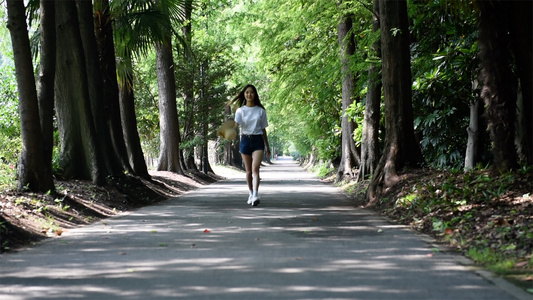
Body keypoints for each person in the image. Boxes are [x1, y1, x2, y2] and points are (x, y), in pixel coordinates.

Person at [232, 84, 271, 206]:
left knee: (255, 168)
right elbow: (236, 126)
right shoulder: (240, 110)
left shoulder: (261, 111)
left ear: (255, 94)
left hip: (258, 140)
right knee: (248, 171)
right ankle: (250, 193)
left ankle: (255, 194)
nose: (249, 94)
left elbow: (264, 129)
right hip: (245, 140)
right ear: (244, 94)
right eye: (247, 92)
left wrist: (267, 146)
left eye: (251, 92)